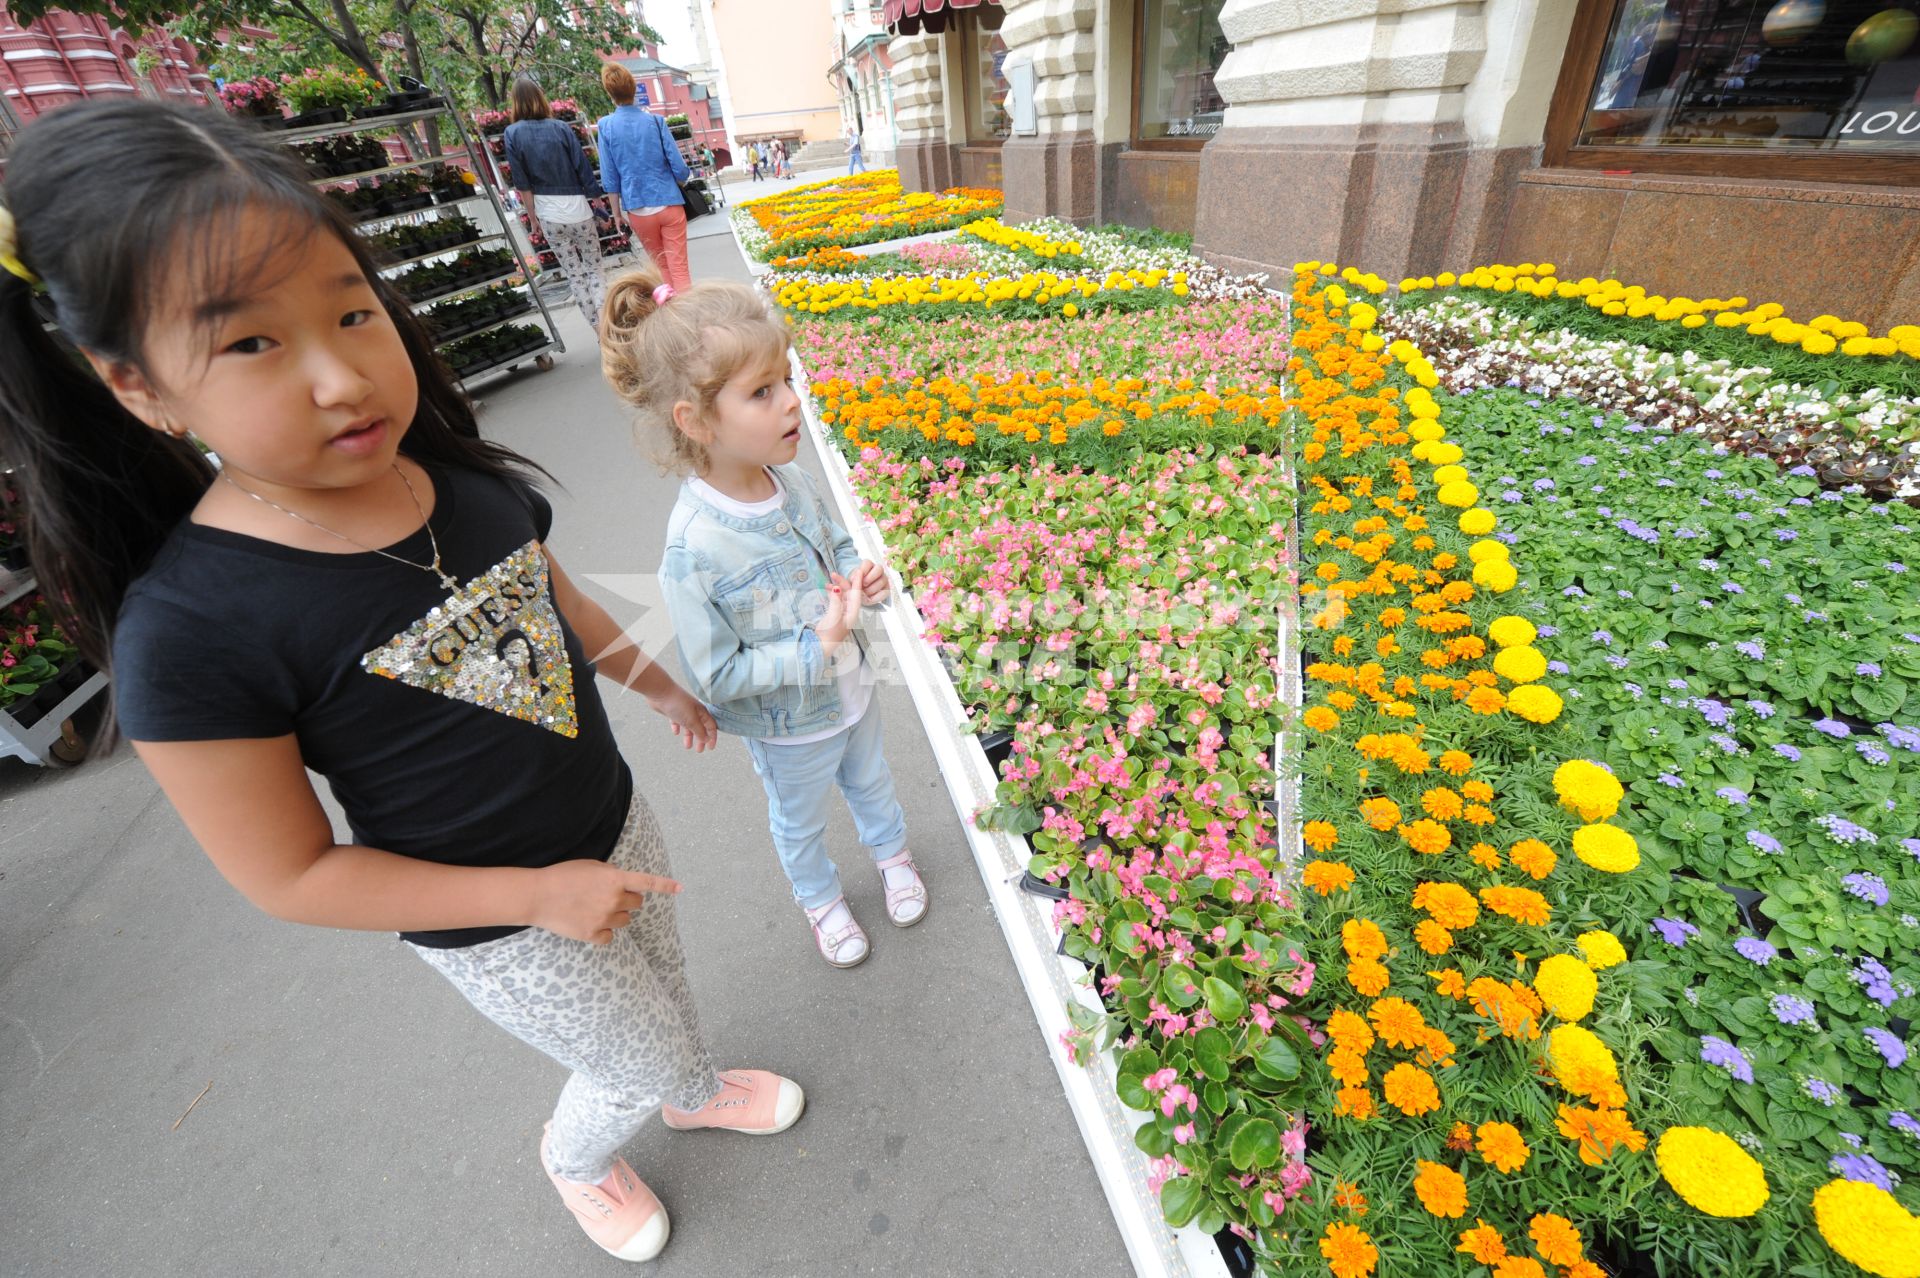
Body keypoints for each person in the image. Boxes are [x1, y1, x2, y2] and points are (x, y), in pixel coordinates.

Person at [0, 100, 803, 1265]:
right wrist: (535, 898)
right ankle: (580, 1156)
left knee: (666, 994)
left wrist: (659, 687)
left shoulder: (445, 471)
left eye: (350, 310)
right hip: (494, 923)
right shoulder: (188, 628)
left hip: (612, 813)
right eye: (251, 343)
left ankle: (687, 1082)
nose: (342, 377)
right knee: (616, 1057)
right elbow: (292, 873)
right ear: (138, 388)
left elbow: (555, 603)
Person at [599, 271, 929, 969]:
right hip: (789, 728)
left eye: (785, 379)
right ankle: (821, 900)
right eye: (762, 391)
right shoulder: (695, 549)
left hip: (853, 690)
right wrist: (818, 647)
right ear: (695, 420)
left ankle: (891, 855)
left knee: (872, 781)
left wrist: (863, 574)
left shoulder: (793, 480)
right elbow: (718, 674)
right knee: (801, 820)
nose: (791, 402)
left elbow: (834, 544)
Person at [503, 76, 608, 332]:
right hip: (578, 209)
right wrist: (597, 200)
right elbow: (582, 167)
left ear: (516, 103)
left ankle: (598, 331)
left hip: (548, 213)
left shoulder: (512, 133)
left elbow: (522, 183)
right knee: (595, 269)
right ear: (541, 99)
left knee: (575, 275)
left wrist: (533, 219)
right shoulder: (561, 128)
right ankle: (608, 325)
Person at [596, 63, 692, 295]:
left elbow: (610, 177)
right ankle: (692, 318)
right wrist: (678, 181)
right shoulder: (656, 122)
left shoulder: (605, 126)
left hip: (638, 208)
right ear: (633, 89)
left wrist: (616, 213)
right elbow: (680, 168)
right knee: (680, 269)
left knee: (661, 271)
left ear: (610, 94)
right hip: (668, 202)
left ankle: (671, 324)